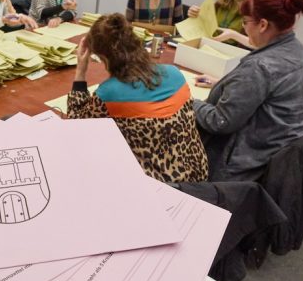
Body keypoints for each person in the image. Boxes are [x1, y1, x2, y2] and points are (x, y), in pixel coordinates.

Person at [193, 0, 303, 182]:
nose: (244, 27)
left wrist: (188, 100)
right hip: (281, 161)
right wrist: (226, 84)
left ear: (262, 25)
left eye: (245, 22)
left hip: (243, 166)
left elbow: (220, 122)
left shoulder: (260, 66)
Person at [67, 13, 208, 183]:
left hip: (164, 188)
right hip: (199, 176)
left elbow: (75, 124)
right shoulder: (175, 73)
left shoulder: (109, 93)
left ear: (102, 57)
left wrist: (80, 71)